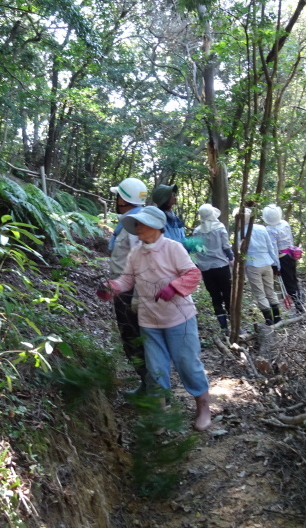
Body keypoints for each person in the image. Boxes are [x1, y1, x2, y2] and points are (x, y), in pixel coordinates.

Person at [97, 206, 212, 431]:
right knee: (155, 368)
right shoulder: (136, 253)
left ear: (155, 226)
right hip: (149, 320)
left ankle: (203, 408)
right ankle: (159, 415)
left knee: (187, 363)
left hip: (180, 318)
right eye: (136, 224)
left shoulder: (173, 248)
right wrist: (112, 287)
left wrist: (174, 287)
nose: (137, 228)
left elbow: (192, 273)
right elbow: (127, 280)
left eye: (141, 224)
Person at [107, 177, 150, 396]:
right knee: (135, 338)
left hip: (131, 292)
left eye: (118, 196)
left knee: (134, 339)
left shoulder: (135, 224)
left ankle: (153, 390)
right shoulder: (133, 219)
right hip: (126, 289)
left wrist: (137, 297)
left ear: (124, 199)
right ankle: (147, 385)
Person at [192, 204, 234, 333]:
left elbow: (196, 250)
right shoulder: (220, 228)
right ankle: (234, 326)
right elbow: (226, 246)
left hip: (206, 269)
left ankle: (224, 328)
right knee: (228, 295)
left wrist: (198, 265)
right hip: (221, 266)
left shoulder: (197, 231)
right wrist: (231, 258)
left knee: (215, 297)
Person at [240, 208, 282, 325]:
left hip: (252, 265)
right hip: (266, 262)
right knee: (270, 290)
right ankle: (277, 317)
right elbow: (270, 247)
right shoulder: (262, 228)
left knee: (259, 293)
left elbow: (241, 253)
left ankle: (269, 319)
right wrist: (276, 264)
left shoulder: (240, 234)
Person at [262, 204, 304, 313]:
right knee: (293, 279)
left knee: (289, 283)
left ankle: (300, 307)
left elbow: (274, 249)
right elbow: (290, 239)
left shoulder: (270, 230)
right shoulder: (285, 223)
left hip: (282, 258)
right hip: (291, 254)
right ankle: (300, 303)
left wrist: (277, 266)